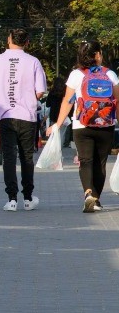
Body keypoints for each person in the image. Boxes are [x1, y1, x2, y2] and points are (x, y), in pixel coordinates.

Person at [48, 40, 119, 213]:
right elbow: (117, 102)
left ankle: (88, 194)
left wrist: (57, 124)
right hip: (106, 125)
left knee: (85, 161)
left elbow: (67, 101)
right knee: (100, 164)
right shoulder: (110, 74)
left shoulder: (75, 75)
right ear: (97, 55)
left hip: (81, 125)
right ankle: (96, 199)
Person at [0, 28, 46, 212]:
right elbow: (40, 91)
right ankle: (28, 198)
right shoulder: (33, 62)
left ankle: (11, 199)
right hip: (27, 115)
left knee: (9, 156)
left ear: (9, 39)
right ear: (27, 42)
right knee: (27, 156)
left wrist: (7, 93)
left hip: (5, 114)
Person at [46, 76, 75, 161]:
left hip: (54, 115)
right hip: (64, 116)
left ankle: (53, 152)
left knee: (54, 134)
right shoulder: (65, 91)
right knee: (62, 134)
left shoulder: (52, 92)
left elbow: (47, 104)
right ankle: (59, 151)